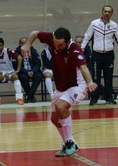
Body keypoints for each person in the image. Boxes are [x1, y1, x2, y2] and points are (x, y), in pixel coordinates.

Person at [21, 27, 97, 156]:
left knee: (60, 106)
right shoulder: (53, 39)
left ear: (68, 42)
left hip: (77, 85)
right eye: (55, 44)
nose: (57, 47)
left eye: (60, 45)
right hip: (61, 87)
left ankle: (69, 143)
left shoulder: (74, 49)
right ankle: (70, 142)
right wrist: (27, 45)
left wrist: (90, 82)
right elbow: (35, 33)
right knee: (54, 120)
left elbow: (83, 67)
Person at [81, 5, 118, 105]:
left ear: (111, 13)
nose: (107, 13)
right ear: (102, 12)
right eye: (105, 11)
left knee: (108, 77)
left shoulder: (114, 25)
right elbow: (87, 37)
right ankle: (94, 98)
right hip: (96, 55)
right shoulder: (94, 23)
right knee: (95, 78)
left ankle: (109, 97)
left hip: (109, 55)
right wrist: (81, 49)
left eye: (109, 12)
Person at [0, 37, 24, 105]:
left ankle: (19, 98)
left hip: (10, 72)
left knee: (15, 76)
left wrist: (18, 70)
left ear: (3, 45)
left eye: (0, 45)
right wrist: (3, 73)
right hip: (0, 73)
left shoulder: (8, 50)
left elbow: (19, 57)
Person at [15, 37, 42, 103]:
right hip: (23, 71)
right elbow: (16, 66)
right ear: (19, 44)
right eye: (22, 43)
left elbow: (38, 64)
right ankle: (31, 97)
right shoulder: (16, 52)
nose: (24, 44)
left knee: (38, 76)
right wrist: (27, 72)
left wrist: (32, 71)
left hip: (33, 71)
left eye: (25, 43)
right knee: (22, 77)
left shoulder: (33, 50)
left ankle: (28, 96)